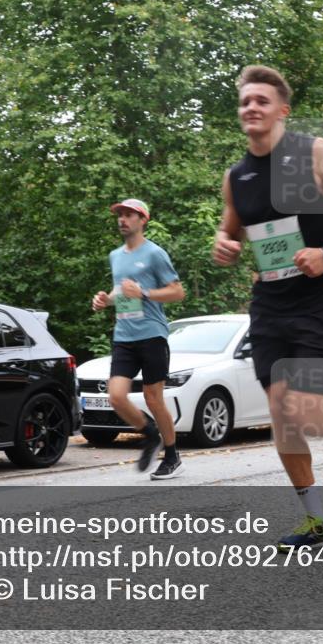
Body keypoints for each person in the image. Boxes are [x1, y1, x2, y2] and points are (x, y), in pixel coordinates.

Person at [212, 65, 323, 549]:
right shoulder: (238, 176)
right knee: (280, 414)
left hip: (322, 299)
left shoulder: (314, 153)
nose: (252, 107)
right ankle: (315, 521)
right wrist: (223, 245)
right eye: (245, 101)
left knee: (304, 408)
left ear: (282, 110)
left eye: (262, 101)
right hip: (270, 301)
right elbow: (230, 229)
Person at [92, 198, 186, 480]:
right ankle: (149, 435)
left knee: (153, 398)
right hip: (124, 336)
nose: (122, 219)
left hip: (152, 334)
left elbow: (177, 292)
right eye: (119, 215)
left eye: (129, 215)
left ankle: (172, 457)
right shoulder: (115, 256)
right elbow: (120, 290)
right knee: (117, 397)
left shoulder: (155, 254)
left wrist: (144, 294)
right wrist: (105, 300)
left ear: (142, 220)